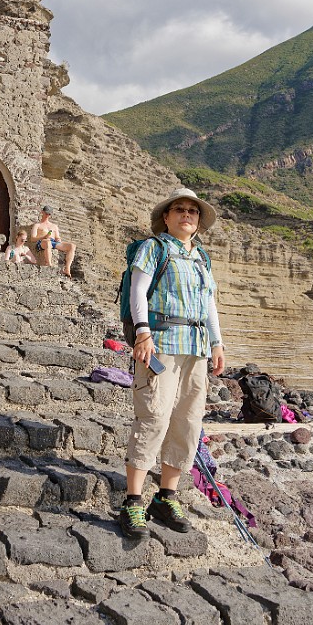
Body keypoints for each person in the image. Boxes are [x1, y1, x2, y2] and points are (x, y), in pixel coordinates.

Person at [119, 187, 226, 540]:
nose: (186, 215)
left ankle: (166, 497)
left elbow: (209, 304)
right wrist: (142, 333)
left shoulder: (201, 258)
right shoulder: (154, 248)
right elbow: (138, 290)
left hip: (196, 348)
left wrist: (217, 342)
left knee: (187, 421)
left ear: (198, 221)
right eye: (179, 209)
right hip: (161, 343)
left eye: (192, 212)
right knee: (153, 416)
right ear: (166, 217)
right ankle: (133, 501)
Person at [30, 205, 76, 278]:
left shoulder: (54, 226)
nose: (47, 215)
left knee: (72, 246)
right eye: (46, 213)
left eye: (49, 214)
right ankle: (49, 264)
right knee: (48, 242)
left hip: (53, 242)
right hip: (42, 242)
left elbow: (57, 237)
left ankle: (67, 269)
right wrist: (45, 236)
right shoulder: (37, 225)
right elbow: (32, 238)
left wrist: (58, 240)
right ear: (42, 212)